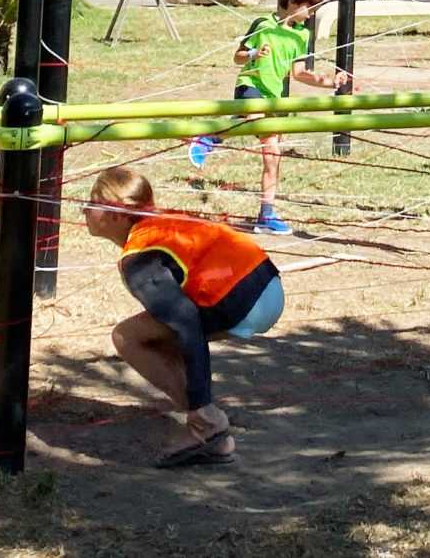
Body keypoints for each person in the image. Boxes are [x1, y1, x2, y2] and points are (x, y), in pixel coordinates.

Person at [85, 166, 283, 468]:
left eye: (93, 202)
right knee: (156, 335)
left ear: (117, 215)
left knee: (128, 337)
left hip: (244, 298)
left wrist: (201, 404)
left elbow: (185, 322)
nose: (84, 209)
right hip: (266, 281)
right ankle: (208, 419)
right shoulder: (161, 223)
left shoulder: (139, 258)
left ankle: (206, 424)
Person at [191, 0, 350, 235]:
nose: (312, 14)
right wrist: (254, 53)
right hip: (250, 88)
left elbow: (299, 73)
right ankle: (212, 138)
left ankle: (265, 214)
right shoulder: (262, 24)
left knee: (273, 156)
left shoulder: (301, 36)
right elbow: (238, 58)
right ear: (292, 2)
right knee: (264, 136)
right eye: (310, 8)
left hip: (274, 97)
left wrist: (330, 81)